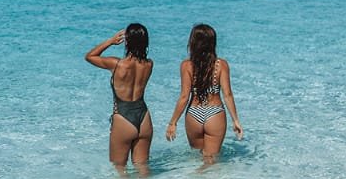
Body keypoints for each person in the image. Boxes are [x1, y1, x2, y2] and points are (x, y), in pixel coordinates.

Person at [165, 23, 243, 161]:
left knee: (198, 158)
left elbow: (184, 96)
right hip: (215, 113)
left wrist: (173, 122)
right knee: (210, 160)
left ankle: (196, 175)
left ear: (193, 42)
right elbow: (227, 94)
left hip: (193, 114)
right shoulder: (221, 65)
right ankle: (205, 175)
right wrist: (235, 120)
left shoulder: (186, 65)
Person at [85, 24, 154, 170]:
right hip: (144, 118)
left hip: (123, 118)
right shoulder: (149, 64)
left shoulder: (117, 64)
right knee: (142, 168)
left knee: (119, 169)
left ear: (127, 41)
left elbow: (89, 56)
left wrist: (110, 41)